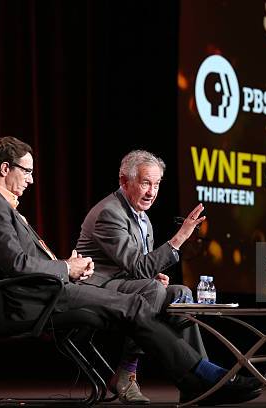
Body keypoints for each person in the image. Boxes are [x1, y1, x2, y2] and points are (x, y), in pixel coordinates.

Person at [0, 136, 262, 405]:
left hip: (49, 290)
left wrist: (70, 267)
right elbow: (16, 265)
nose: (31, 179)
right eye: (26, 171)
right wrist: (67, 267)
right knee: (138, 303)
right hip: (38, 299)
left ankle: (202, 380)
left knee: (165, 297)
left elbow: (22, 261)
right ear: (5, 168)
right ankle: (205, 376)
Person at [76, 150, 207, 403]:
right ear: (125, 181)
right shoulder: (109, 213)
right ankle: (127, 371)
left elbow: (139, 267)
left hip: (126, 284)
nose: (152, 192)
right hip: (96, 288)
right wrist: (180, 238)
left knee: (182, 294)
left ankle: (199, 381)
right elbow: (137, 267)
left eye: (157, 184)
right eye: (146, 183)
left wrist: (155, 275)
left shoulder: (143, 219)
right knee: (152, 290)